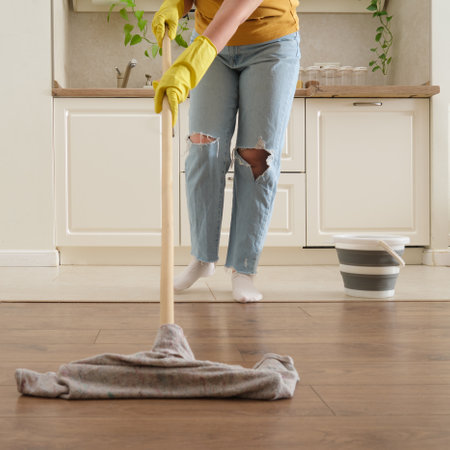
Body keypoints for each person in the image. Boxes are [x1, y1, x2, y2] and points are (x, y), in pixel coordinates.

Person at [152, 0, 300, 302]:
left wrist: (192, 63)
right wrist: (177, 4)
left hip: (269, 44)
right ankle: (202, 258)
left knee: (255, 158)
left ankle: (243, 269)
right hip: (210, 44)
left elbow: (238, 7)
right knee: (202, 148)